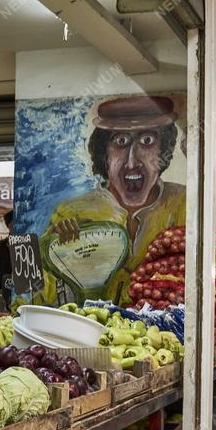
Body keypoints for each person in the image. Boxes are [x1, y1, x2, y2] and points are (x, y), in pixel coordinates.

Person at [38, 95, 186, 303]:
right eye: (121, 141)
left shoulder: (185, 204)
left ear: (164, 149)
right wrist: (52, 251)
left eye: (147, 141)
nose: (132, 161)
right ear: (104, 154)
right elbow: (39, 296)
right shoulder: (71, 211)